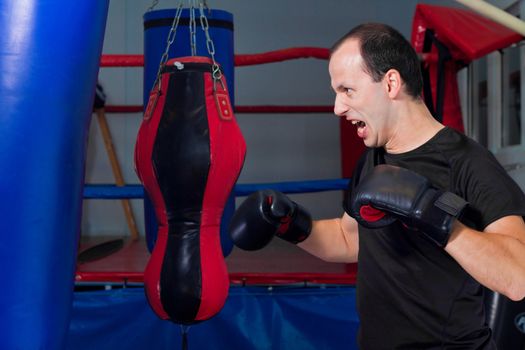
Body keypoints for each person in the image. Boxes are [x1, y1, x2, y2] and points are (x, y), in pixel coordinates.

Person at [229, 23, 525, 349]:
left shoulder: (468, 162)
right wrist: (290, 223)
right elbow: (347, 238)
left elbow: (517, 277)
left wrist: (436, 218)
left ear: (391, 83)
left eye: (347, 90)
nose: (337, 108)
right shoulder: (374, 159)